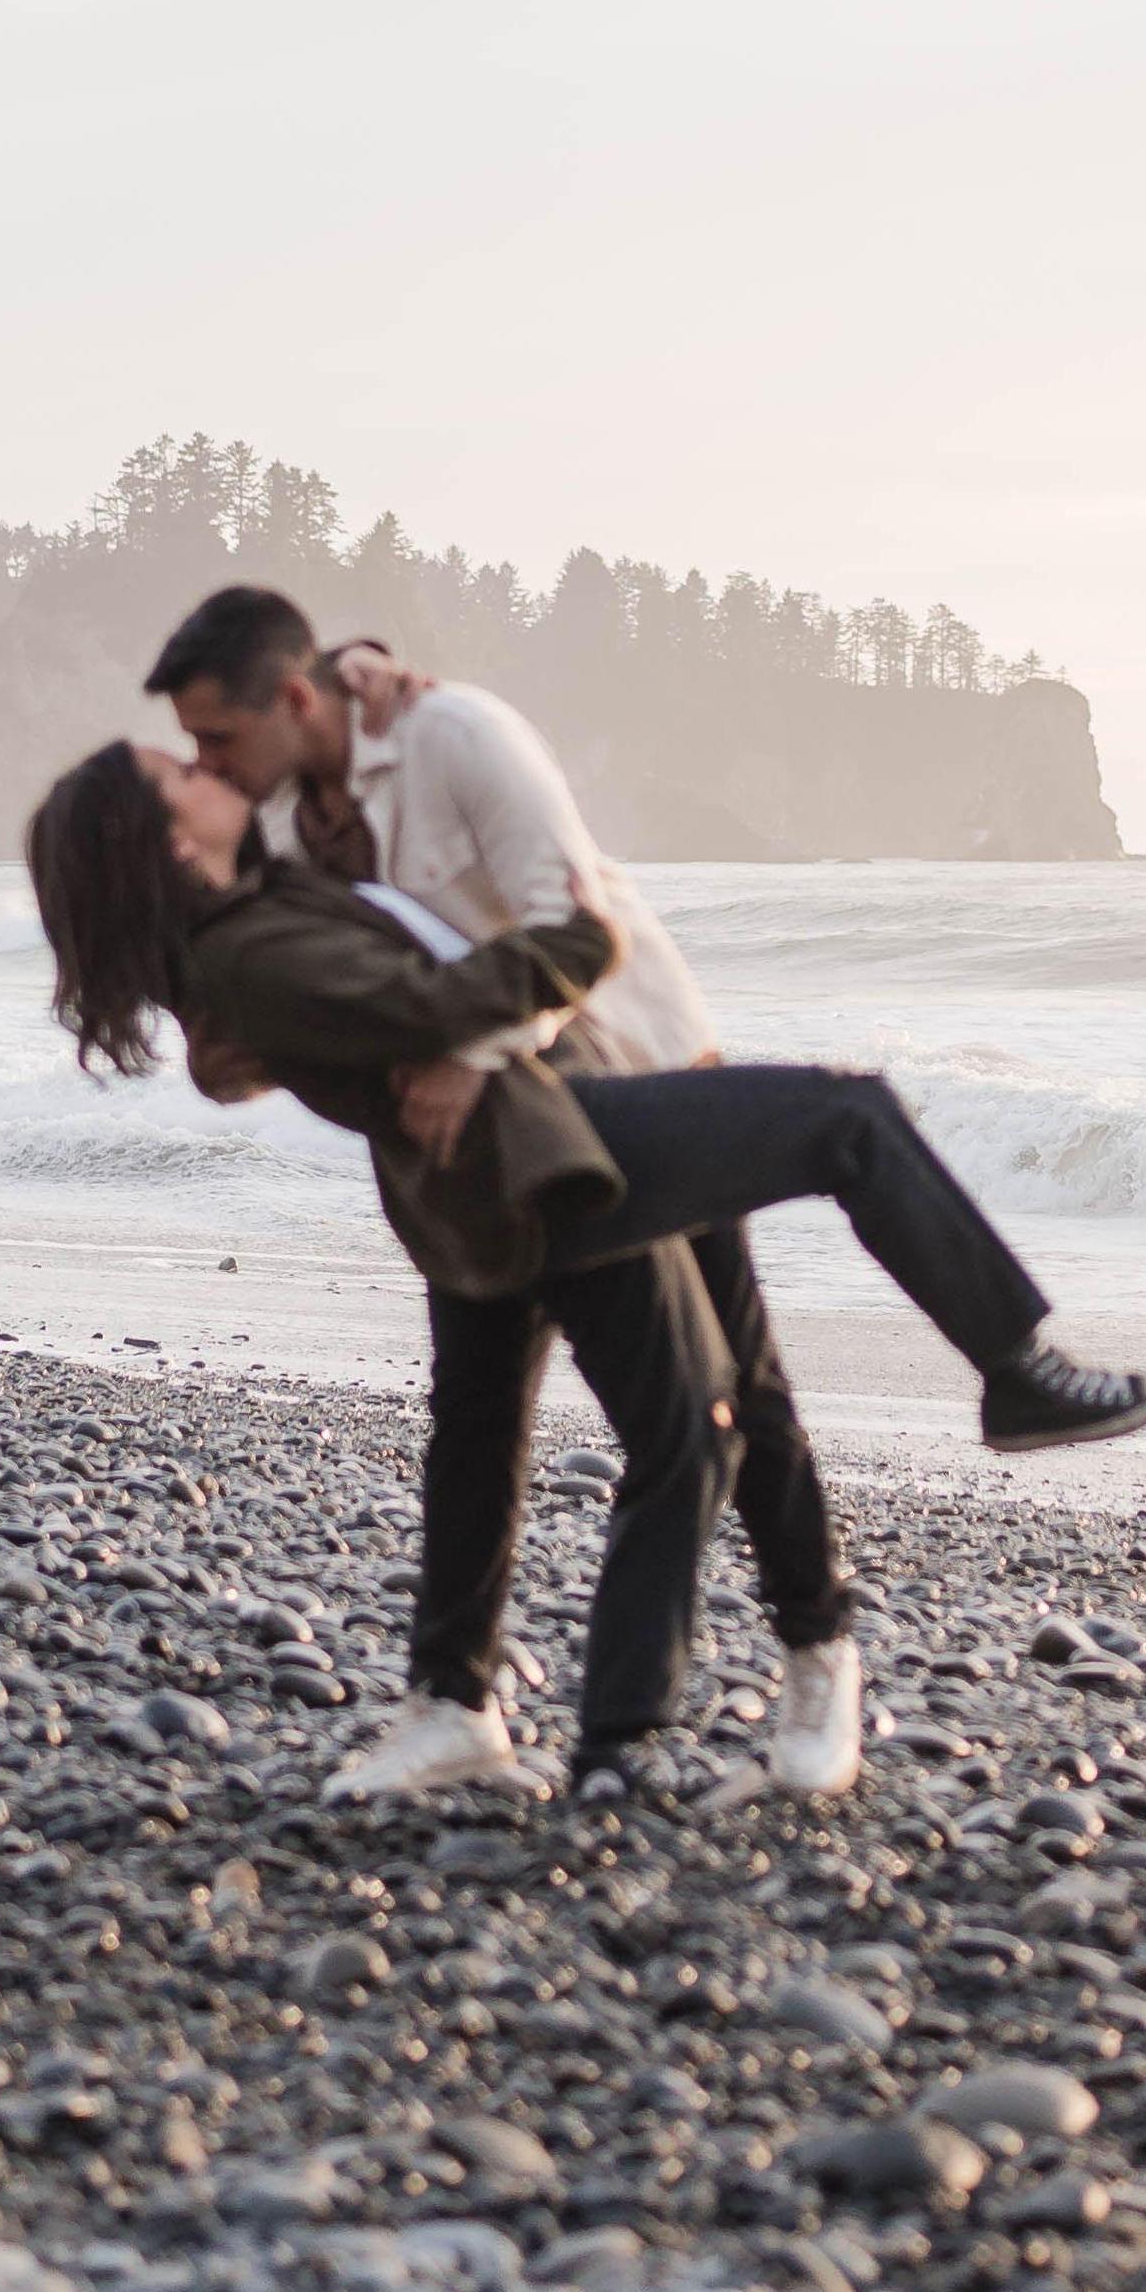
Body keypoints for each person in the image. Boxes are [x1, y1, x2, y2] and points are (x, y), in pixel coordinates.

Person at [23, 737, 1146, 1806]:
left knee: (505, 1428)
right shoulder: (256, 954)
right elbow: (446, 1000)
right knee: (834, 1150)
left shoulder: (269, 897)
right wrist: (573, 937)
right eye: (179, 770)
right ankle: (1006, 1379)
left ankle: (506, 1714)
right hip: (553, 1148)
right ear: (172, 842)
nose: (208, 763)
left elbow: (356, 834)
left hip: (507, 1161)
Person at [144, 584, 861, 1803]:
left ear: (299, 697)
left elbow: (574, 930)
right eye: (196, 746)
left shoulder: (454, 735)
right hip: (462, 1144)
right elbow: (313, 980)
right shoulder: (272, 816)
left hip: (630, 1079)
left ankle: (815, 1662)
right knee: (475, 1401)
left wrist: (469, 1053)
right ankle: (455, 1705)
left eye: (219, 738)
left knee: (737, 1385)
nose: (204, 762)